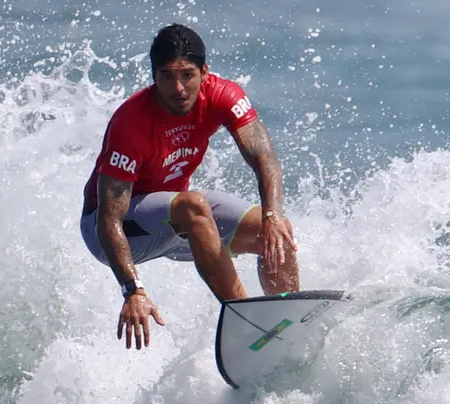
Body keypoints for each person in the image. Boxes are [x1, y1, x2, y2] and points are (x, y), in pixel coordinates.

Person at [80, 23, 300, 351]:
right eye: (167, 76)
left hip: (175, 223)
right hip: (113, 232)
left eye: (187, 75)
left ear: (204, 72)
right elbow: (109, 220)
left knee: (274, 229)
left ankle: (289, 323)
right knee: (192, 205)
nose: (178, 88)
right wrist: (133, 290)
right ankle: (251, 326)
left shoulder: (224, 96)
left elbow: (264, 156)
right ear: (154, 76)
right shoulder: (131, 123)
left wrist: (272, 214)